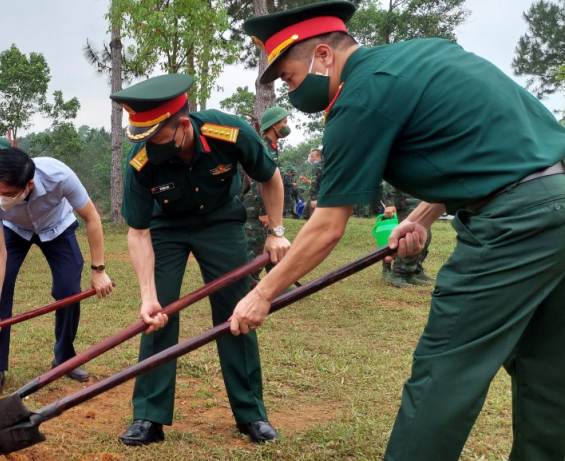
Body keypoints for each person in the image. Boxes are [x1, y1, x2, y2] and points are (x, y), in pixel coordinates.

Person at [236, 2, 565, 460]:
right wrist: (422, 218)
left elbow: (329, 225)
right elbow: (485, 152)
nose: (290, 90)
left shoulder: (359, 96)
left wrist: (263, 293)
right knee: (548, 367)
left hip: (514, 224)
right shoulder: (424, 54)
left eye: (289, 77)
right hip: (555, 203)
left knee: (444, 370)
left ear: (325, 56)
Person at [111, 74, 290, 446]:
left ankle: (251, 413)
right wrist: (147, 296)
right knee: (158, 315)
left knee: (236, 310)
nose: (150, 147)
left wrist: (276, 230)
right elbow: (138, 232)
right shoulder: (141, 160)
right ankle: (148, 415)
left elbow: (270, 177)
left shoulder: (230, 132)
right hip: (165, 228)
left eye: (157, 138)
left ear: (181, 122)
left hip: (220, 221)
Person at [0, 147, 113, 394]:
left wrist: (98, 269)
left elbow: (92, 218)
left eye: (7, 194)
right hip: (14, 229)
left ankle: (64, 358)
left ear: (28, 185)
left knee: (69, 289)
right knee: (1, 285)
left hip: (57, 226)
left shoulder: (59, 175)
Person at [245, 105, 293, 282]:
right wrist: (264, 212)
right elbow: (260, 181)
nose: (287, 126)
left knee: (266, 245)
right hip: (256, 209)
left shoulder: (271, 146)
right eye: (284, 122)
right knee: (255, 249)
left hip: (259, 208)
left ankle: (273, 282)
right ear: (274, 125)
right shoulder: (263, 146)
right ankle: (248, 285)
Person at [380, 182, 433, 288]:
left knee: (425, 237)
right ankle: (398, 273)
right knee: (408, 238)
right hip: (405, 204)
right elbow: (388, 181)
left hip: (419, 204)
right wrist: (389, 203)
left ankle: (414, 271)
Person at [304, 148, 324, 219]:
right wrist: (307, 181)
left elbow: (314, 183)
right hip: (324, 195)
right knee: (305, 213)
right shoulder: (325, 165)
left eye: (312, 156)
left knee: (312, 216)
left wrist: (313, 198)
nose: (310, 158)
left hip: (317, 196)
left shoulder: (316, 165)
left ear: (318, 157)